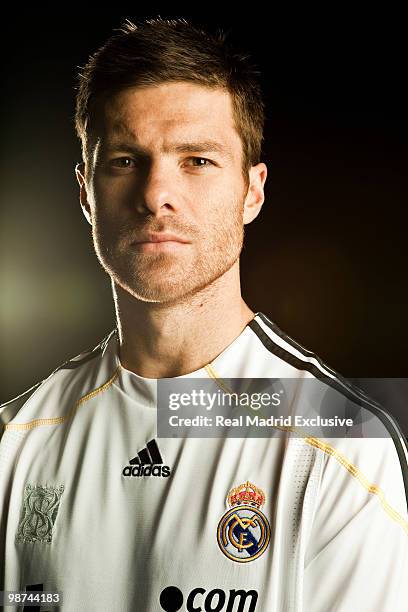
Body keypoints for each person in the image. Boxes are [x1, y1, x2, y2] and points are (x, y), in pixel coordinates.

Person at [0, 17, 407, 612]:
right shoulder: (16, 440)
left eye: (196, 160)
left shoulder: (341, 445)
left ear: (253, 191)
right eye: (124, 160)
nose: (156, 194)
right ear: (86, 192)